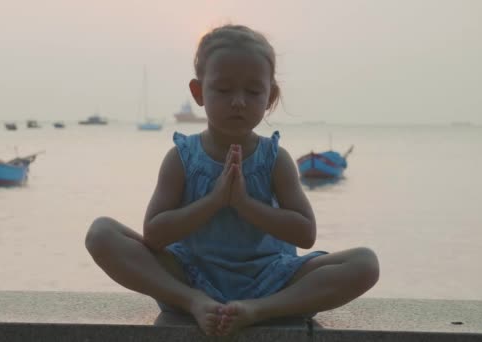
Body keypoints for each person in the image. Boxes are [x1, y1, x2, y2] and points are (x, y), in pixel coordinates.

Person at [85, 24, 379, 336]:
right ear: (198, 92)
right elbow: (154, 234)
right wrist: (213, 201)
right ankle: (196, 303)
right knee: (101, 233)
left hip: (271, 280)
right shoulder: (182, 158)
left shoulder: (274, 159)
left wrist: (244, 203)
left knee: (365, 264)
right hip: (191, 276)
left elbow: (305, 234)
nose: (238, 101)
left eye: (253, 91)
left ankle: (256, 311)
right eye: (224, 90)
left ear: (270, 96)